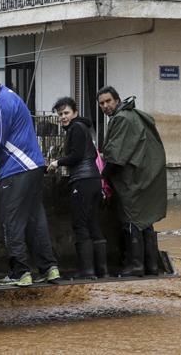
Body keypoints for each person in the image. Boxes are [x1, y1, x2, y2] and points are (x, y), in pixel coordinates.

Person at [0, 72, 59, 287]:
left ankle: (20, 272)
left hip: (16, 170)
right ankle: (49, 268)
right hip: (35, 166)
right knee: (36, 220)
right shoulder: (13, 97)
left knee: (11, 222)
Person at [98, 86, 167, 277]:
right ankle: (151, 265)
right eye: (101, 103)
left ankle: (136, 265)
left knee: (131, 220)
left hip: (130, 180)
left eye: (108, 101)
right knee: (144, 219)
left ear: (117, 100)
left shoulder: (121, 119)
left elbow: (115, 155)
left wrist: (102, 176)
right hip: (143, 176)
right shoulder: (135, 115)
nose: (105, 106)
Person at [48, 97, 107, 280]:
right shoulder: (82, 128)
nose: (63, 117)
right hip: (93, 180)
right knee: (92, 223)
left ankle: (87, 270)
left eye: (66, 113)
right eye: (60, 115)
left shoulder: (76, 128)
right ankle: (101, 270)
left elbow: (77, 156)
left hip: (82, 180)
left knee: (80, 224)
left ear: (75, 113)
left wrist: (57, 162)